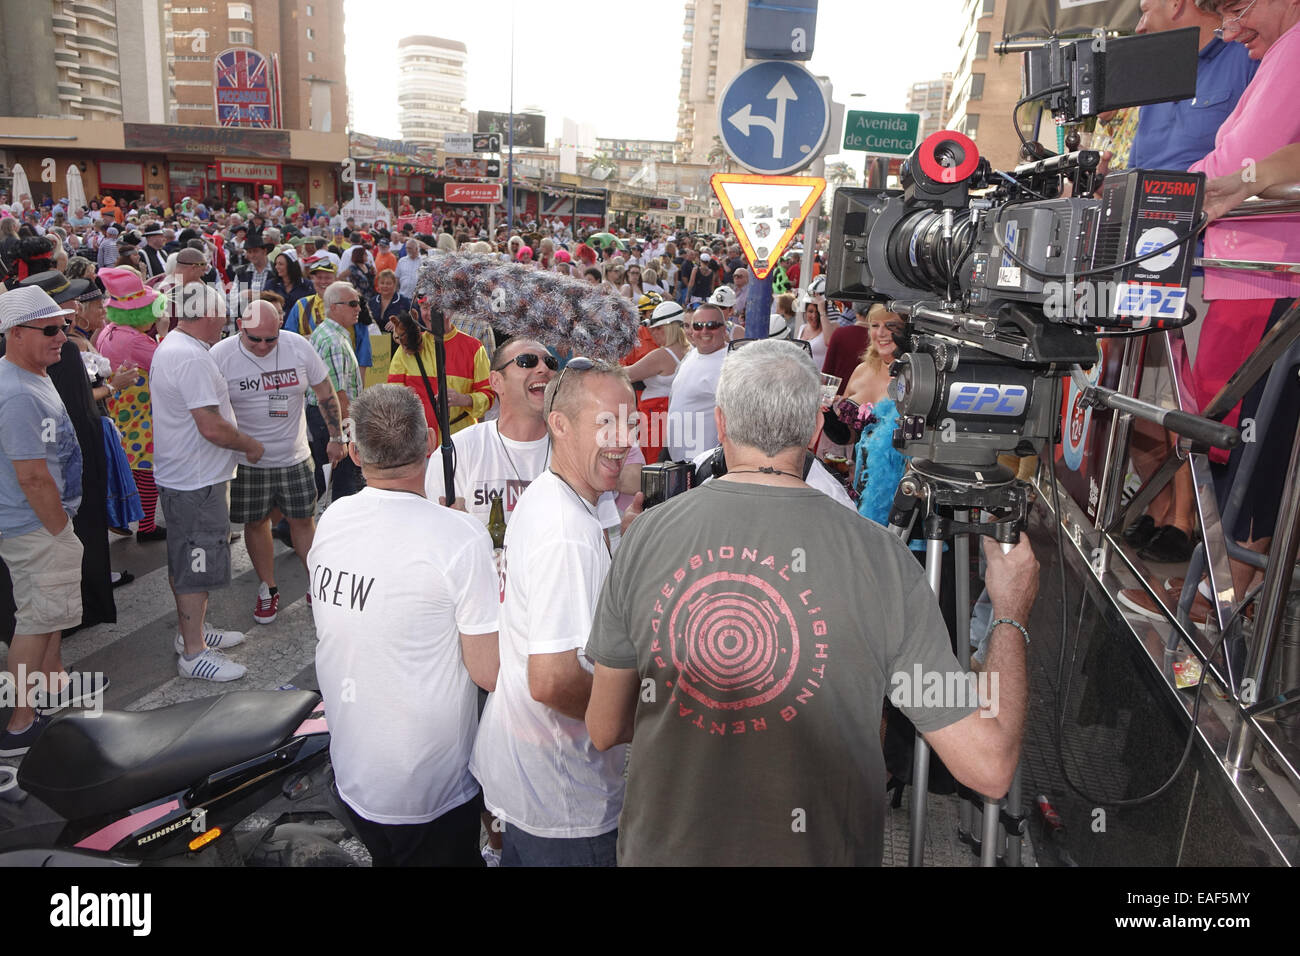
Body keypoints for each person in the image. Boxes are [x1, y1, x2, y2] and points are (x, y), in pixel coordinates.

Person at [583, 339, 1038, 865]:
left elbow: (604, 726)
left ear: (721, 423)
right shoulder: (884, 564)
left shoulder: (643, 537)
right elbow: (988, 765)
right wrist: (1010, 612)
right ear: (816, 430)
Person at [310, 384, 499, 867]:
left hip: (354, 767)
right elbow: (489, 672)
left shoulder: (333, 519)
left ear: (354, 452)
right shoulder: (459, 537)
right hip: (428, 785)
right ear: (431, 442)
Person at [470, 358, 639, 866]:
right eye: (607, 423)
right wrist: (638, 718)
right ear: (560, 425)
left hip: (531, 783)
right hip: (565, 802)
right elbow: (551, 678)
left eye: (630, 423)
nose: (624, 438)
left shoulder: (553, 493)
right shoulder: (568, 530)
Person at [149, 282, 263, 681]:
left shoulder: (179, 346)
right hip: (195, 481)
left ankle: (192, 631)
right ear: (209, 316)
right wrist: (250, 445)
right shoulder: (189, 356)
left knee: (187, 558)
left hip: (188, 476)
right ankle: (194, 652)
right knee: (195, 563)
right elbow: (211, 426)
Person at [0, 288, 93, 755]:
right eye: (52, 328)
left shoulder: (27, 372)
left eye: (65, 325)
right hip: (37, 525)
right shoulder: (17, 391)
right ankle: (19, 724)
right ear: (16, 334)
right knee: (35, 620)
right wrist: (59, 531)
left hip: (40, 520)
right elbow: (33, 475)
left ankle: (52, 683)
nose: (64, 337)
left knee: (48, 612)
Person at [212, 300, 342, 625]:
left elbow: (325, 392)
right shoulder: (221, 356)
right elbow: (208, 410)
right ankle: (268, 587)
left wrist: (338, 437)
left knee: (303, 521)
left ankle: (317, 584)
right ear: (240, 326)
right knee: (256, 523)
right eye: (254, 339)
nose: (263, 346)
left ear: (281, 325)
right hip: (247, 462)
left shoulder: (298, 346)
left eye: (270, 339)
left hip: (295, 456)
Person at [425, 337, 557, 523]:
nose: (543, 369)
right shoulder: (457, 453)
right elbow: (437, 539)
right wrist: (461, 527)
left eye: (550, 362)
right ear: (496, 381)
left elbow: (602, 538)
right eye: (527, 361)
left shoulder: (576, 453)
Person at [96, 267, 165, 542]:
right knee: (146, 471)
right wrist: (160, 334)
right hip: (141, 415)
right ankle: (147, 526)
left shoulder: (109, 330)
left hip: (120, 410)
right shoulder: (136, 340)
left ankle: (125, 518)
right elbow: (166, 363)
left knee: (130, 469)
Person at [387, 302, 494, 439]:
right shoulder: (407, 348)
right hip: (419, 443)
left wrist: (463, 399)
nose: (431, 313)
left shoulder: (474, 348)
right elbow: (392, 394)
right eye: (425, 307)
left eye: (438, 307)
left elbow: (488, 396)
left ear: (452, 310)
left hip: (461, 440)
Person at [307, 282, 365, 501]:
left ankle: (291, 524)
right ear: (334, 307)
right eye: (352, 304)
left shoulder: (326, 332)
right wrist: (348, 433)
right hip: (333, 419)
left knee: (324, 479)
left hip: (322, 417)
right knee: (344, 485)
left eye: (358, 303)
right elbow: (338, 394)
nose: (358, 308)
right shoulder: (334, 341)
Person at [624, 301, 688, 465]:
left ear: (670, 328)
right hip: (672, 417)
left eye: (658, 328)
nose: (653, 333)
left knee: (653, 469)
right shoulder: (691, 351)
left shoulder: (662, 355)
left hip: (656, 419)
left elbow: (627, 374)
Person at [665, 302, 728, 461]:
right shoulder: (692, 354)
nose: (704, 331)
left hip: (706, 466)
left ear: (724, 328)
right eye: (698, 326)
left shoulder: (729, 363)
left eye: (712, 325)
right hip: (680, 462)